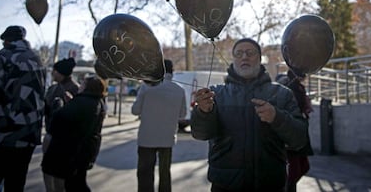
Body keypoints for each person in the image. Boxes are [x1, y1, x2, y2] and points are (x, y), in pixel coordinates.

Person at [190, 38, 308, 192]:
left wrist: (276, 117)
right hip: (225, 185)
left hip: (270, 185)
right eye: (238, 53)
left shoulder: (282, 94)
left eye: (250, 53)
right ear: (233, 60)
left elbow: (300, 139)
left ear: (260, 59)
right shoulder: (216, 94)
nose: (244, 57)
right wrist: (203, 112)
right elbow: (200, 134)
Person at [0, 26, 46, 192]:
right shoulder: (38, 59)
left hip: (4, 132)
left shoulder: (4, 56)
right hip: (29, 134)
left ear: (6, 40)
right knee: (16, 182)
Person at [41, 75, 107, 192]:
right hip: (84, 150)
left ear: (87, 87)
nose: (80, 85)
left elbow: (58, 121)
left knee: (74, 184)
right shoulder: (97, 101)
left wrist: (60, 106)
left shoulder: (82, 101)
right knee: (77, 182)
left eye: (83, 84)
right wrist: (72, 102)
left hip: (71, 151)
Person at [131, 59, 187, 192]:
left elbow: (135, 110)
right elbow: (183, 114)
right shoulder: (179, 89)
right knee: (165, 173)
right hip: (167, 138)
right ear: (171, 71)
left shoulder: (146, 87)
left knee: (145, 172)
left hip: (146, 138)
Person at [43, 57, 80, 191]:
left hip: (65, 140)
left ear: (61, 73)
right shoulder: (53, 88)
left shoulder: (75, 89)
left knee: (60, 178)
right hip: (50, 135)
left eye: (55, 71)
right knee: (47, 172)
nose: (52, 73)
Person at [276, 70, 314, 192]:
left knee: (303, 167)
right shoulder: (290, 87)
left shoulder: (297, 87)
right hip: (290, 135)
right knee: (295, 170)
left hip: (299, 131)